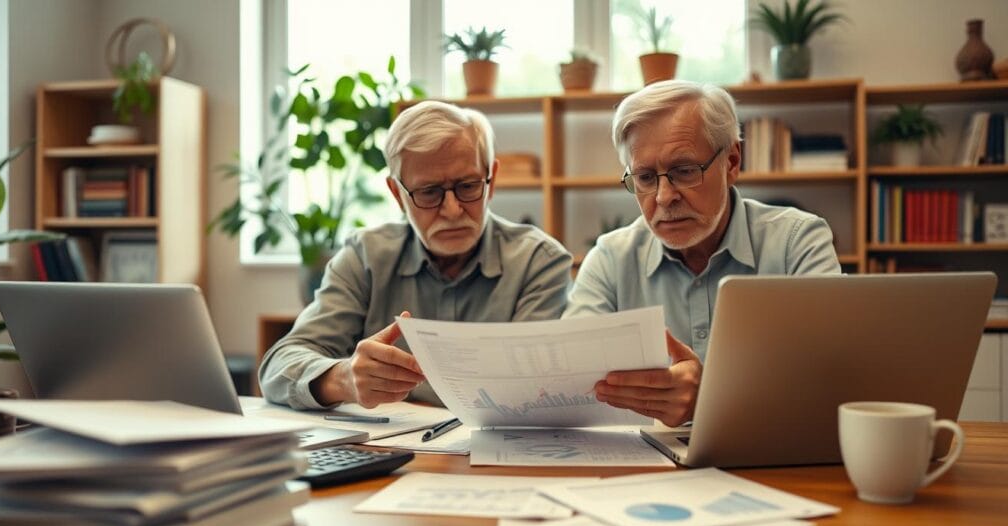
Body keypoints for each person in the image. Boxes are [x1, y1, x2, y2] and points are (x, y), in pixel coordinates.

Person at [260, 100, 573, 410]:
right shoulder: (365, 256)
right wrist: (345, 379)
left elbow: (532, 389)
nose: (452, 210)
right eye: (429, 192)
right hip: (389, 452)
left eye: (467, 186)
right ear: (397, 194)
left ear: (491, 180)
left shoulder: (540, 263)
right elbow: (280, 364)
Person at [565, 80, 841, 427]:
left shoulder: (797, 242)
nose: (664, 197)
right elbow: (570, 386)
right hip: (645, 469)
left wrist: (708, 399)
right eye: (646, 178)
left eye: (684, 171)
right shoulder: (610, 258)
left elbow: (833, 381)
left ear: (732, 162)